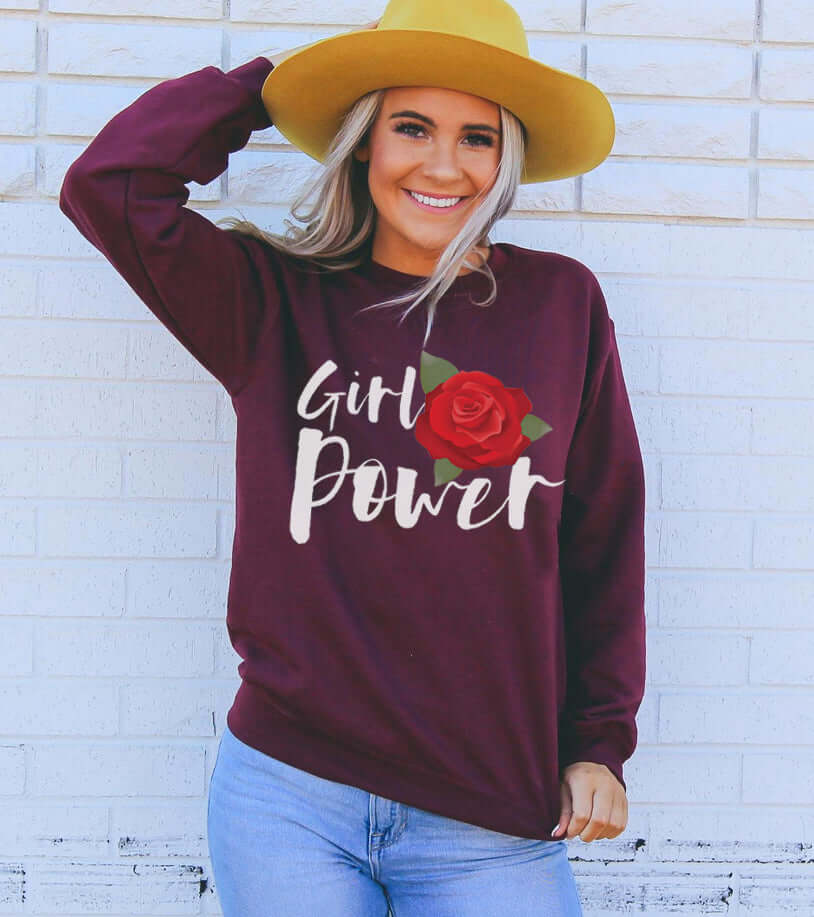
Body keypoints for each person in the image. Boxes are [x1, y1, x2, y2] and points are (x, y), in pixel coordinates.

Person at [58, 0, 646, 914]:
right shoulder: (271, 304)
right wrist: (270, 88)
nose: (443, 165)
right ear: (363, 140)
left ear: (506, 159)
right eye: (409, 126)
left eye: (477, 137)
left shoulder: (560, 306)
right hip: (291, 796)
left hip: (489, 816)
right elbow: (112, 185)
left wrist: (598, 742)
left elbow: (602, 538)